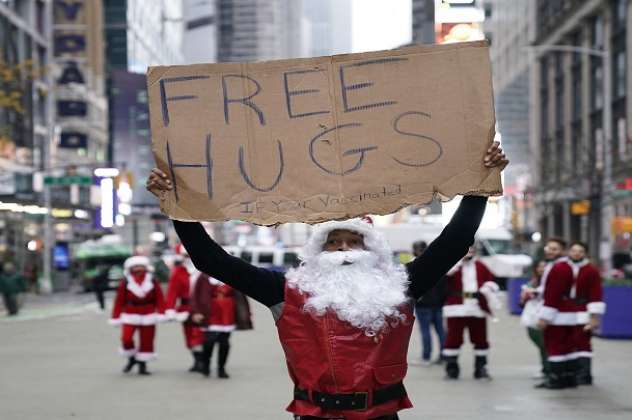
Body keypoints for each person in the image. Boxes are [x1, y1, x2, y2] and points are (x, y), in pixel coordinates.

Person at [146, 142, 507, 419]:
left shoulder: (400, 286)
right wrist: (176, 206)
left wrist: (481, 184)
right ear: (318, 251)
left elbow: (455, 241)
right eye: (333, 242)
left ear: (372, 248)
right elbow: (212, 260)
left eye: (353, 241)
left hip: (382, 415)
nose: (344, 250)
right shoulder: (285, 290)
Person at [441, 245, 497, 380]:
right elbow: (443, 278)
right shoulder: (452, 266)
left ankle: (481, 368)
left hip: (477, 306)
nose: (468, 253)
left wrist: (487, 288)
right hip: (456, 307)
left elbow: (491, 281)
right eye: (465, 250)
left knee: (480, 339)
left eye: (471, 250)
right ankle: (451, 368)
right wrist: (456, 263)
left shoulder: (480, 265)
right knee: (453, 339)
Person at [535, 238, 583, 390]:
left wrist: (544, 317)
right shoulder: (562, 266)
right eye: (548, 248)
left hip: (557, 314)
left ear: (562, 251)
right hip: (565, 312)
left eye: (554, 249)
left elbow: (553, 294)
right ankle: (569, 378)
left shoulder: (559, 267)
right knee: (568, 346)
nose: (550, 251)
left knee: (554, 346)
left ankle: (555, 379)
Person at [109, 256, 166, 375]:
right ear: (130, 268)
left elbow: (159, 298)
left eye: (140, 266)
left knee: (147, 340)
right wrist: (116, 316)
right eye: (135, 266)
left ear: (145, 267)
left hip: (148, 313)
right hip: (130, 313)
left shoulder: (152, 280)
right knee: (126, 338)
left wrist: (162, 312)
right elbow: (119, 300)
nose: (138, 268)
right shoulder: (125, 282)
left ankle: (142, 365)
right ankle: (132, 358)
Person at [191, 272, 253, 378]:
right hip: (210, 312)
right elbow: (195, 295)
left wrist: (245, 313)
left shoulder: (231, 275)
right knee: (209, 341)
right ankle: (206, 365)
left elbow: (241, 296)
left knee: (224, 342)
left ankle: (221, 368)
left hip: (227, 312)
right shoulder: (203, 276)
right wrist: (196, 311)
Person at [564, 241, 605, 385]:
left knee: (583, 342)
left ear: (585, 253)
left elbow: (596, 294)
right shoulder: (562, 268)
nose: (576, 253)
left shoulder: (591, 271)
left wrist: (594, 317)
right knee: (566, 341)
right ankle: (570, 372)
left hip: (583, 309)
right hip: (565, 309)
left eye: (580, 251)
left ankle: (584, 374)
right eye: (573, 250)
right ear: (569, 252)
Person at [165, 244, 206, 373]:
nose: (188, 257)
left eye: (190, 254)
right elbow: (172, 292)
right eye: (185, 255)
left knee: (201, 334)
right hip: (185, 307)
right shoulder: (178, 272)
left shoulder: (205, 269)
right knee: (189, 335)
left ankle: (203, 360)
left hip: (202, 307)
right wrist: (170, 309)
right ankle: (197, 360)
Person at [410, 240, 447, 366]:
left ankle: (426, 357)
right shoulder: (436, 264)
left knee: (426, 331)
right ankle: (444, 355)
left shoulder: (415, 266)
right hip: (437, 304)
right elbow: (444, 286)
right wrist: (441, 301)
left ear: (415, 250)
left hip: (423, 304)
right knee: (440, 331)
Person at [520, 260, 549, 380]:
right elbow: (521, 302)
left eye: (545, 267)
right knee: (540, 343)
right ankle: (546, 368)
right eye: (540, 266)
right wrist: (525, 297)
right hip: (531, 317)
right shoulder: (532, 282)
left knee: (545, 344)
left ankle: (548, 369)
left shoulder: (552, 281)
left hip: (546, 316)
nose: (542, 269)